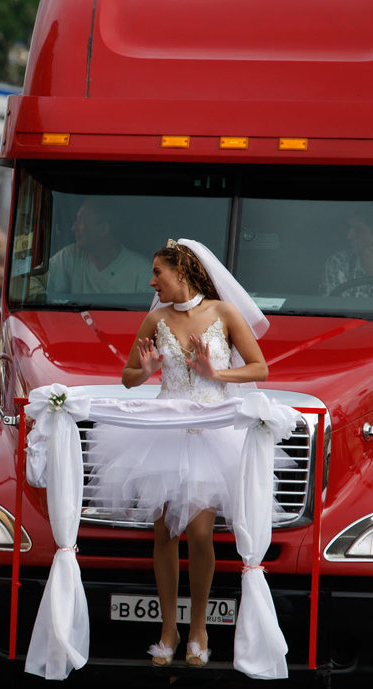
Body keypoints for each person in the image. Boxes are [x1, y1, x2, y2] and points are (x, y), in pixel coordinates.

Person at [100, 239, 268, 667]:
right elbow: (126, 377)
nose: (151, 281)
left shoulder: (223, 313)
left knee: (199, 533)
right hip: (165, 431)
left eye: (158, 272)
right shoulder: (155, 319)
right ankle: (168, 629)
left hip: (211, 432)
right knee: (164, 534)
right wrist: (149, 370)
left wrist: (217, 372)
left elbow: (260, 367)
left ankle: (198, 626)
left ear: (182, 272)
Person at [45, 197, 151, 296]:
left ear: (103, 229)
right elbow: (33, 281)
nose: (74, 228)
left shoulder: (142, 273)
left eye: (80, 221)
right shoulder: (70, 256)